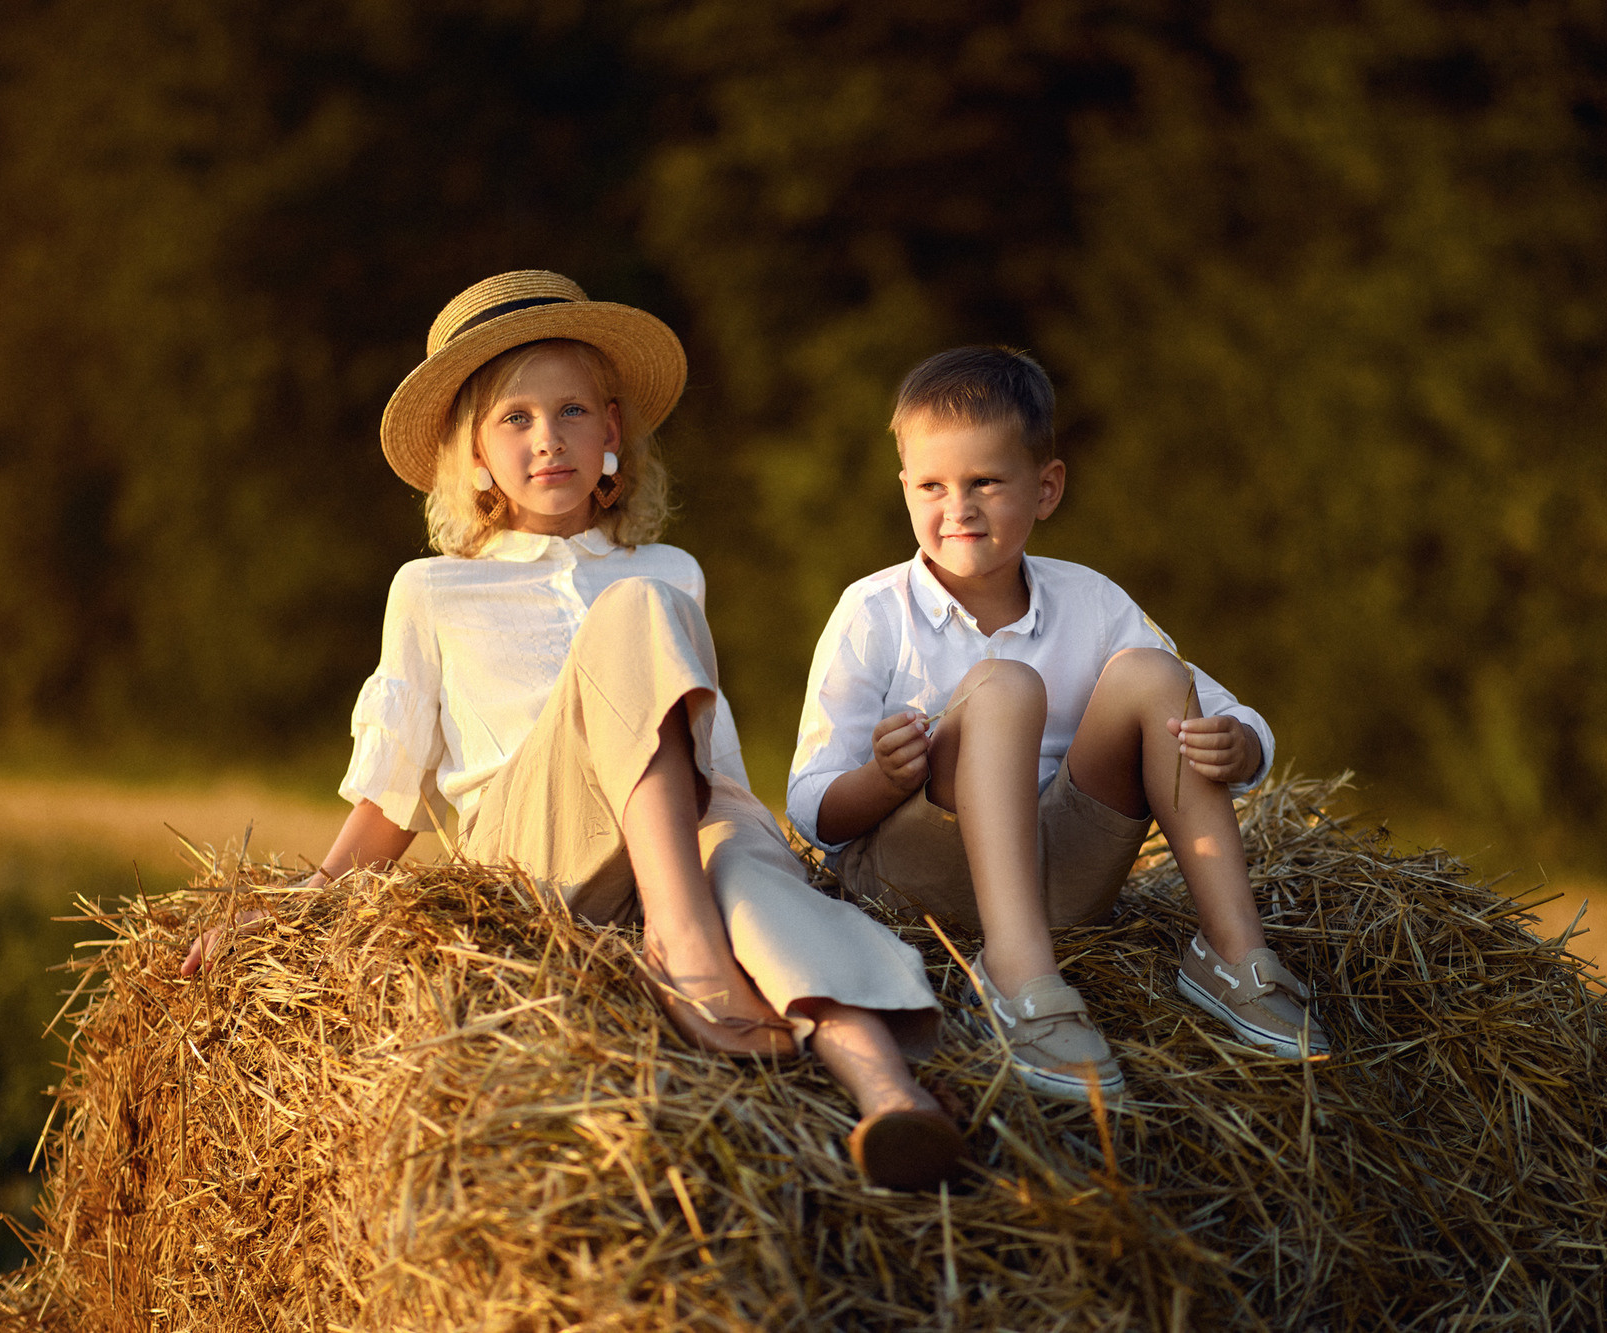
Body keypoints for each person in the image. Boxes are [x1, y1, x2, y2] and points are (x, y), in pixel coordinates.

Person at [183, 271, 962, 1191]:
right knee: (638, 619)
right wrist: (303, 904)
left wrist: (749, 851)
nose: (546, 438)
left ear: (612, 435)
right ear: (472, 453)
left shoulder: (675, 568)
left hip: (680, 820)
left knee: (756, 882)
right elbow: (392, 792)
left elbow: (707, 758)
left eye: (571, 411)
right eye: (513, 419)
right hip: (536, 862)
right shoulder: (430, 590)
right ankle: (682, 943)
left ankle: (889, 1096)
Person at [788, 346, 1328, 1103]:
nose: (959, 508)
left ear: (1046, 488)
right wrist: (884, 778)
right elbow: (811, 808)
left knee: (1152, 674)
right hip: (919, 882)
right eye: (934, 486)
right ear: (904, 489)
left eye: (985, 482)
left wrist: (1242, 743)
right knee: (1006, 688)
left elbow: (1211, 702)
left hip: (1065, 878)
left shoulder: (1094, 602)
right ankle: (1016, 971)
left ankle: (1235, 954)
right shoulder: (872, 613)